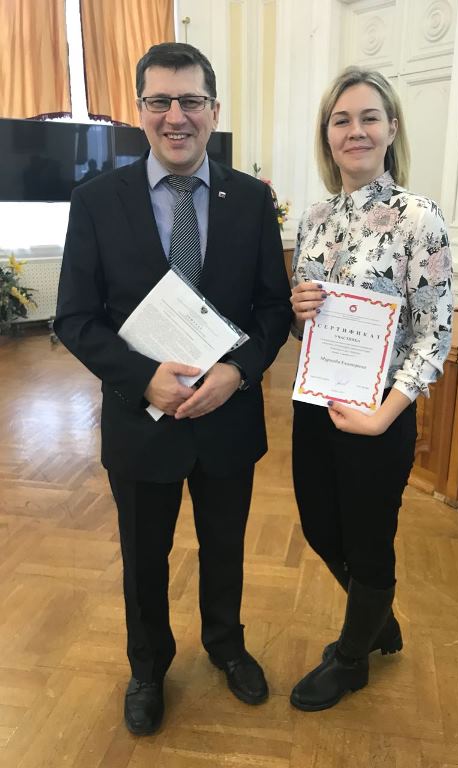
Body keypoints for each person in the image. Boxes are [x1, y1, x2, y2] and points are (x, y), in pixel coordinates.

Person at [55, 42, 291, 735]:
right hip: (140, 421)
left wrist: (239, 371)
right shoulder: (96, 202)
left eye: (190, 101)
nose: (175, 116)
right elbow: (75, 317)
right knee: (143, 559)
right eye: (159, 101)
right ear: (140, 111)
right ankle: (148, 667)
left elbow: (273, 309)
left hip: (228, 417)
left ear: (214, 110)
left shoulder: (253, 200)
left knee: (226, 546)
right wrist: (143, 380)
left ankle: (226, 646)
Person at [289, 66, 452, 711]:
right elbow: (307, 322)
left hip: (379, 415)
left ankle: (353, 658)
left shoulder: (420, 220)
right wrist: (300, 310)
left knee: (368, 539)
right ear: (327, 136)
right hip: (316, 402)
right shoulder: (314, 219)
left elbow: (433, 335)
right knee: (318, 528)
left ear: (391, 129)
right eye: (341, 120)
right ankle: (378, 621)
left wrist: (385, 415)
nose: (355, 131)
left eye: (368, 118)